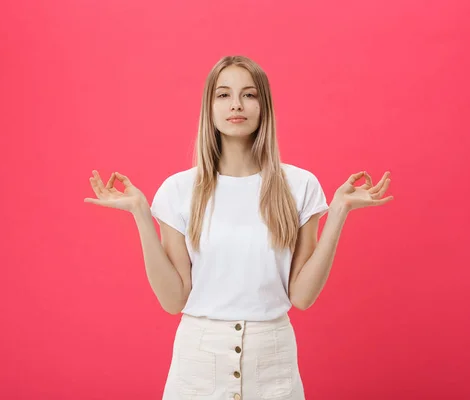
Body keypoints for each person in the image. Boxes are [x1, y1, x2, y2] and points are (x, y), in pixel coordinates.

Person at [84, 55, 393, 400]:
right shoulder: (178, 190)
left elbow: (302, 296)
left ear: (263, 106)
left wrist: (339, 211)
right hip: (197, 367)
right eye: (223, 95)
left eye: (249, 95)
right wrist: (141, 212)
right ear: (209, 107)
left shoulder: (300, 185)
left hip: (273, 362)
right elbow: (174, 300)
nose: (236, 105)